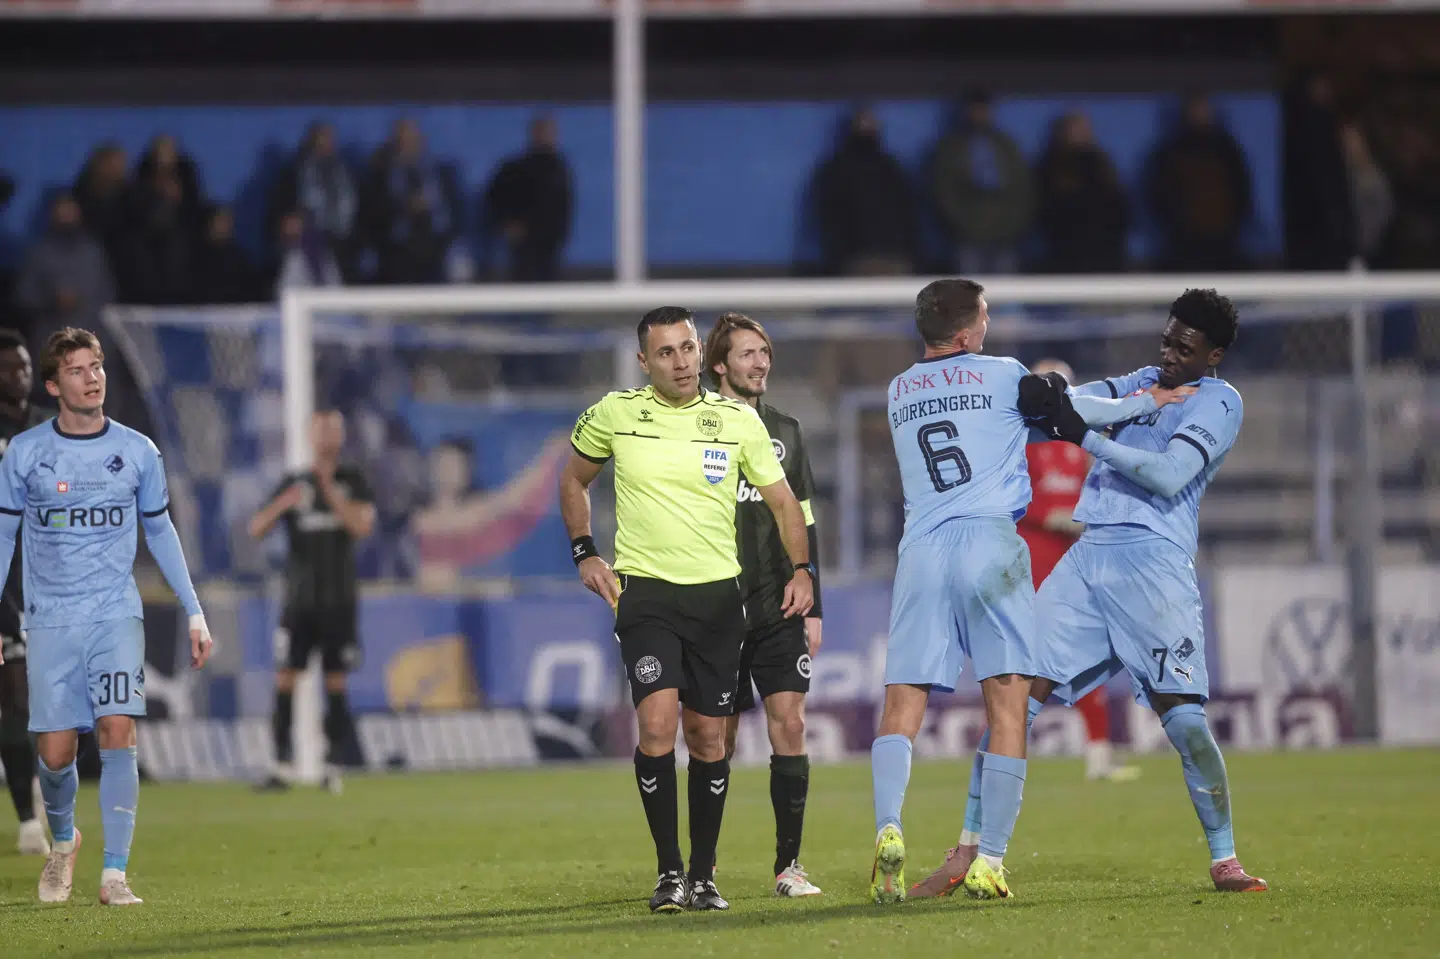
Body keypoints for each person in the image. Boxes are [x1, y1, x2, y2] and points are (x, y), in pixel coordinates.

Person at [870, 279, 1188, 904]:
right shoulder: (1001, 375)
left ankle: (888, 826)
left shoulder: (898, 389)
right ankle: (989, 860)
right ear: (966, 332)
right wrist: (1148, 398)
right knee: (1008, 705)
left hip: (923, 551)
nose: (988, 326)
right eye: (984, 316)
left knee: (902, 702)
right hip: (991, 544)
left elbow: (993, 432)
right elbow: (1076, 413)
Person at [950, 288, 1268, 894]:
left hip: (1155, 567)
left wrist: (1079, 432)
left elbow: (1170, 472)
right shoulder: (1147, 379)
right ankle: (970, 847)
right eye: (1167, 337)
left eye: (1185, 345)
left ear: (1216, 353)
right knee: (1014, 695)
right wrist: (1045, 398)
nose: (1169, 352)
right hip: (1089, 556)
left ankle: (1224, 857)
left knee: (1184, 722)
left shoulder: (1221, 403)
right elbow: (1085, 402)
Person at [559, 306, 814, 913]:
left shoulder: (735, 421)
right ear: (644, 361)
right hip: (646, 594)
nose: (680, 361)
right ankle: (668, 871)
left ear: (702, 352)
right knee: (656, 726)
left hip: (718, 601)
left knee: (707, 738)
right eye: (666, 352)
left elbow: (783, 503)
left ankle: (703, 875)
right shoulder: (615, 414)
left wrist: (802, 571)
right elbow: (574, 481)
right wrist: (585, 554)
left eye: (688, 348)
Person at [0, 326, 213, 906]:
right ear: (53, 384)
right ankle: (63, 844)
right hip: (48, 620)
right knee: (55, 752)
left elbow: (161, 532)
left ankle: (114, 874)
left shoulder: (139, 451)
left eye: (96, 367)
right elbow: (3, 536)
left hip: (115, 614)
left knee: (119, 730)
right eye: (77, 370)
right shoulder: (26, 454)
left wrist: (194, 610)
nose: (92, 378)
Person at [703, 312, 823, 898]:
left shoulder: (788, 431)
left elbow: (804, 517)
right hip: (719, 605)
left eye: (765, 352)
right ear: (720, 365)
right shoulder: (696, 428)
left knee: (791, 722)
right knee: (717, 737)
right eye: (748, 354)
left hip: (780, 600)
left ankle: (789, 867)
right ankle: (706, 865)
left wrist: (813, 598)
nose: (761, 363)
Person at [1018, 358, 1139, 785]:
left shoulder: (1079, 442)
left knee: (1087, 654)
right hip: (1035, 559)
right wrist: (1053, 517)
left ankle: (1099, 756)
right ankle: (1004, 756)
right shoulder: (1023, 441)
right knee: (1023, 666)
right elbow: (1014, 499)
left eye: (1065, 387)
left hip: (1077, 558)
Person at [248, 410, 376, 795]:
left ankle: (332, 764)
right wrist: (283, 504)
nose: (327, 435)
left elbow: (362, 526)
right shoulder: (293, 483)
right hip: (299, 601)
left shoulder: (353, 482)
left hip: (339, 602)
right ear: (310, 434)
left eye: (333, 428)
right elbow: (255, 528)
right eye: (321, 428)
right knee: (286, 678)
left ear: (341, 435)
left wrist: (330, 491)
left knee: (335, 681)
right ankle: (281, 764)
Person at [0, 329, 50, 856]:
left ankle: (33, 797)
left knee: (32, 699)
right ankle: (26, 820)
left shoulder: (45, 428)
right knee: (13, 691)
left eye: (24, 366)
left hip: (44, 580)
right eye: (10, 368)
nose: (21, 375)